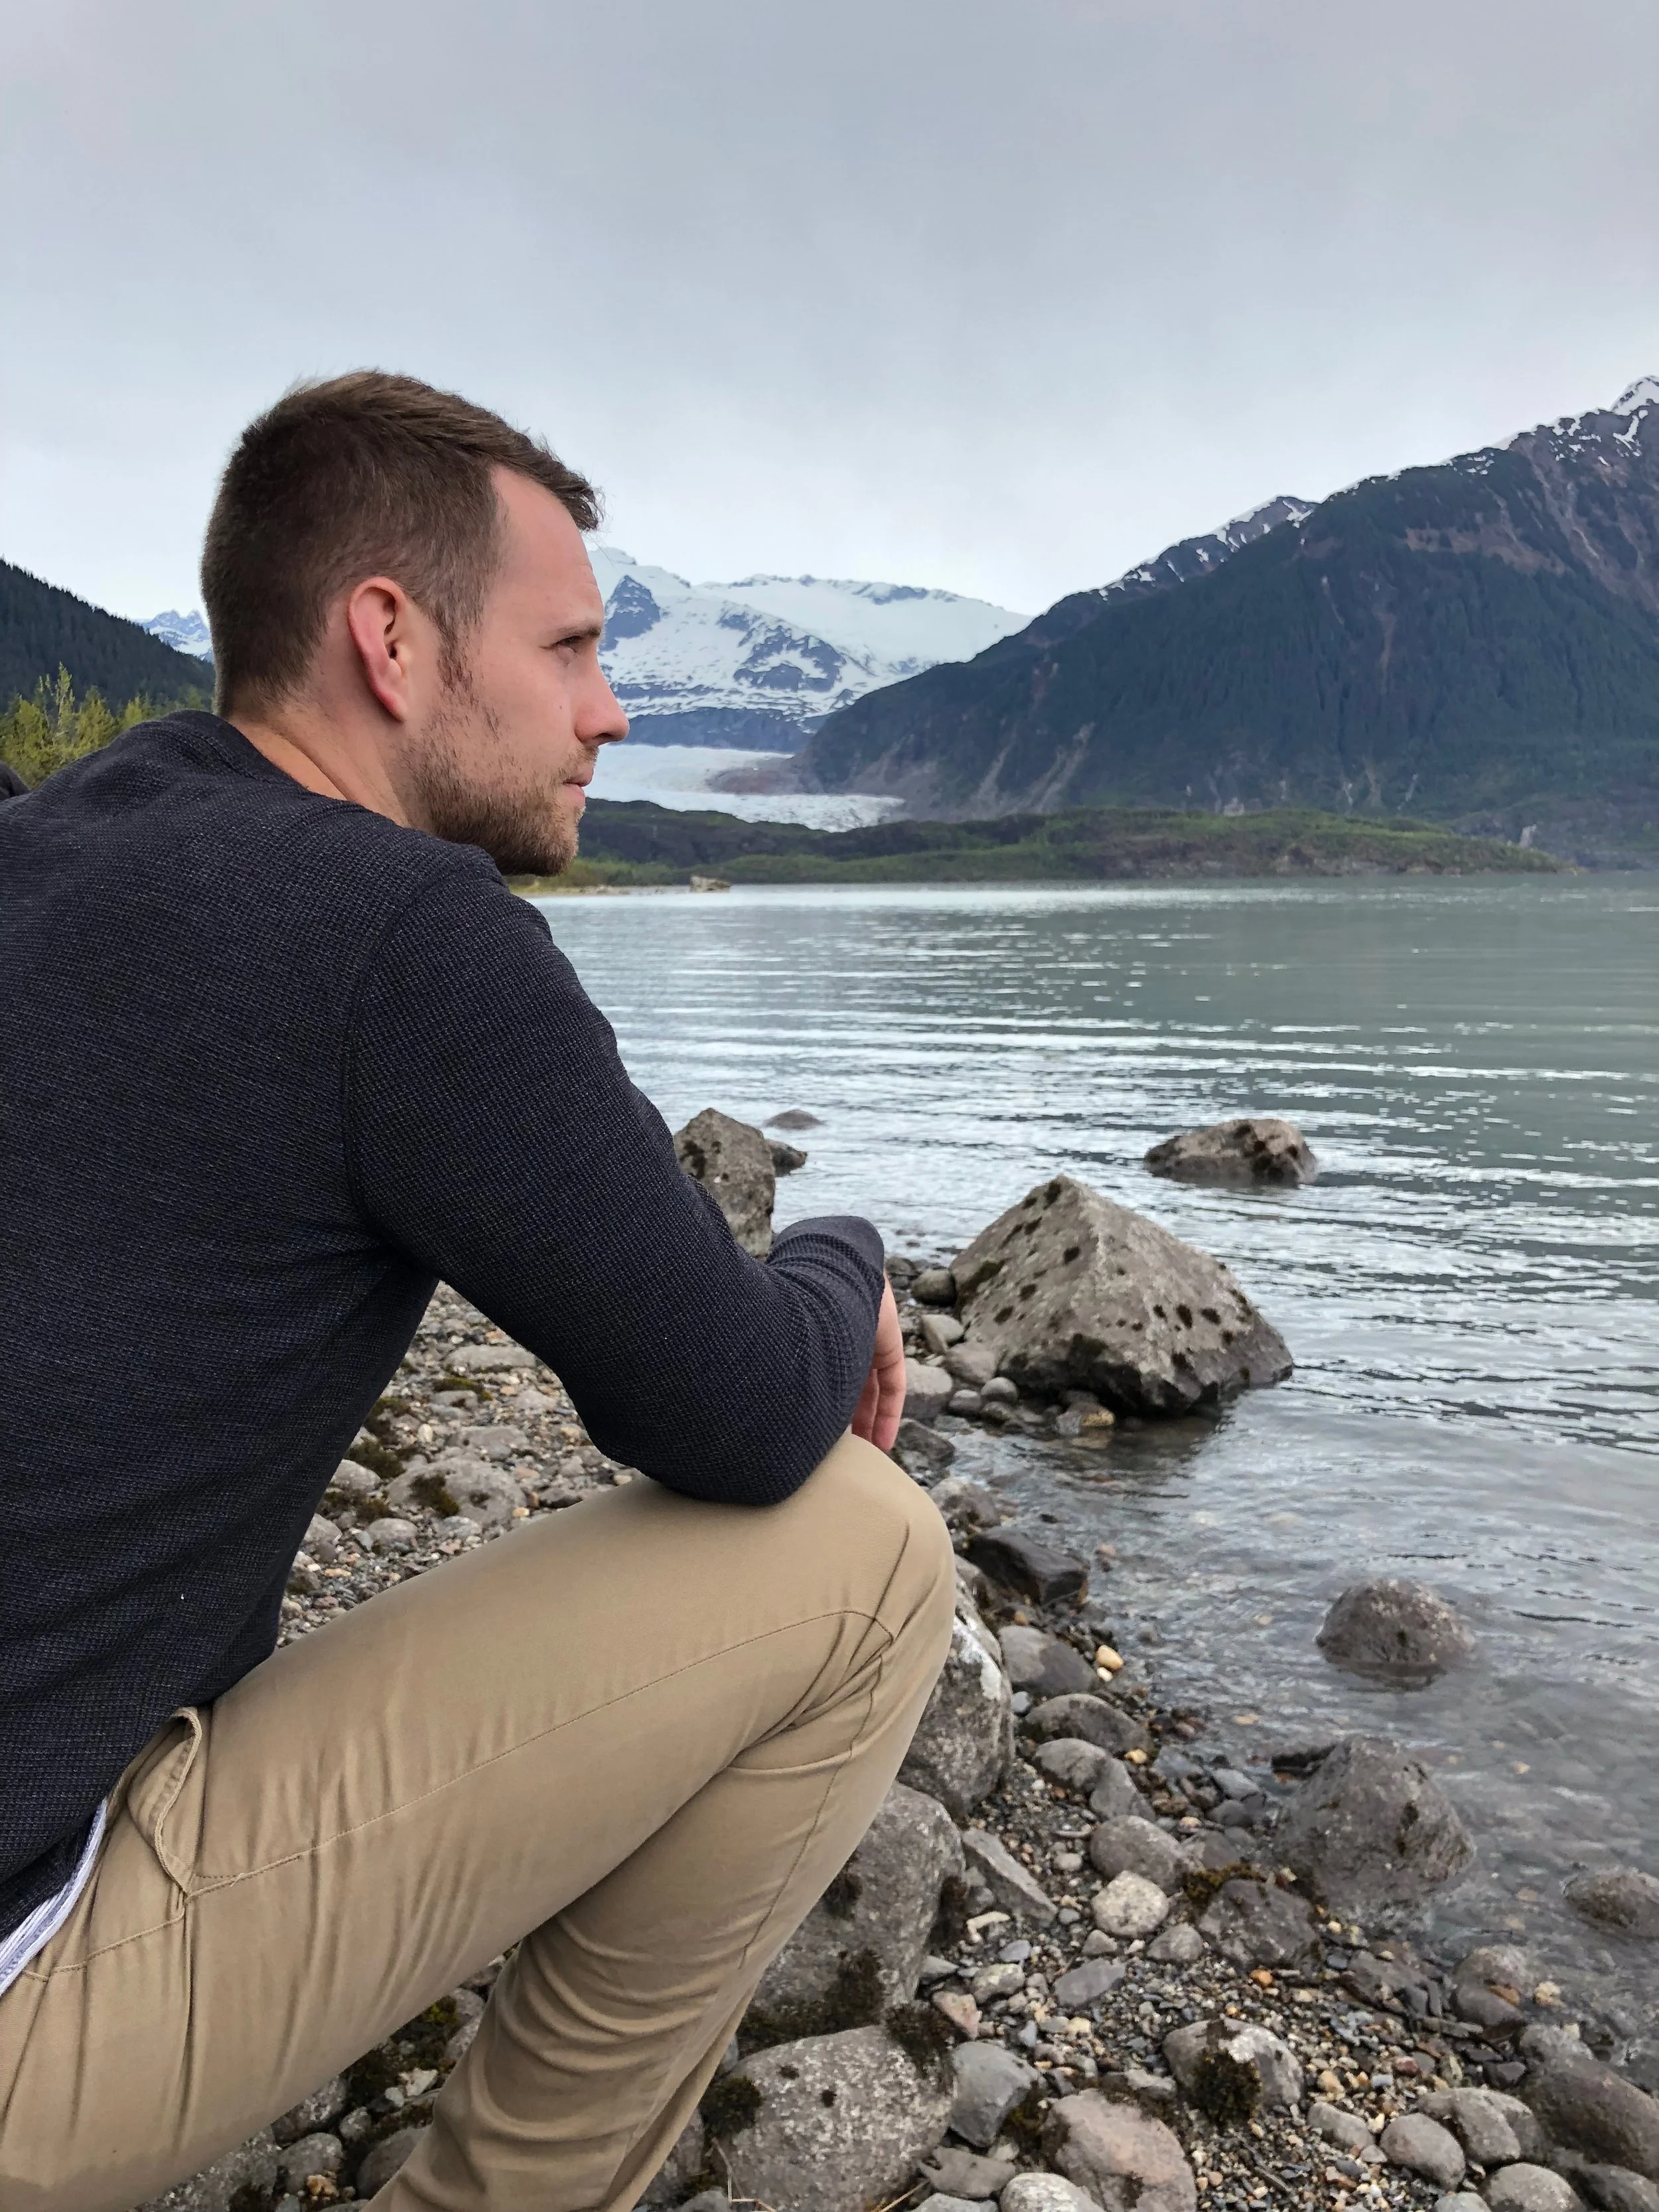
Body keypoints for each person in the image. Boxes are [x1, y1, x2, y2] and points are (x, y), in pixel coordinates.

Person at [0, 372, 956, 2212]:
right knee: (867, 1553)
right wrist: (849, 1255)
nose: (608, 710)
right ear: (390, 637)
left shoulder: (59, 840)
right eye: (575, 644)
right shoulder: (401, 937)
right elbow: (745, 1415)